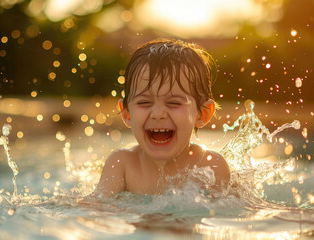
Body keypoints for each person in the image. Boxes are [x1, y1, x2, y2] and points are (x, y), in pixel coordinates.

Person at [93, 39, 230, 197]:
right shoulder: (122, 164)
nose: (158, 114)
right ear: (127, 114)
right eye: (144, 102)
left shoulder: (210, 166)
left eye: (174, 103)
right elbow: (96, 207)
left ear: (202, 114)